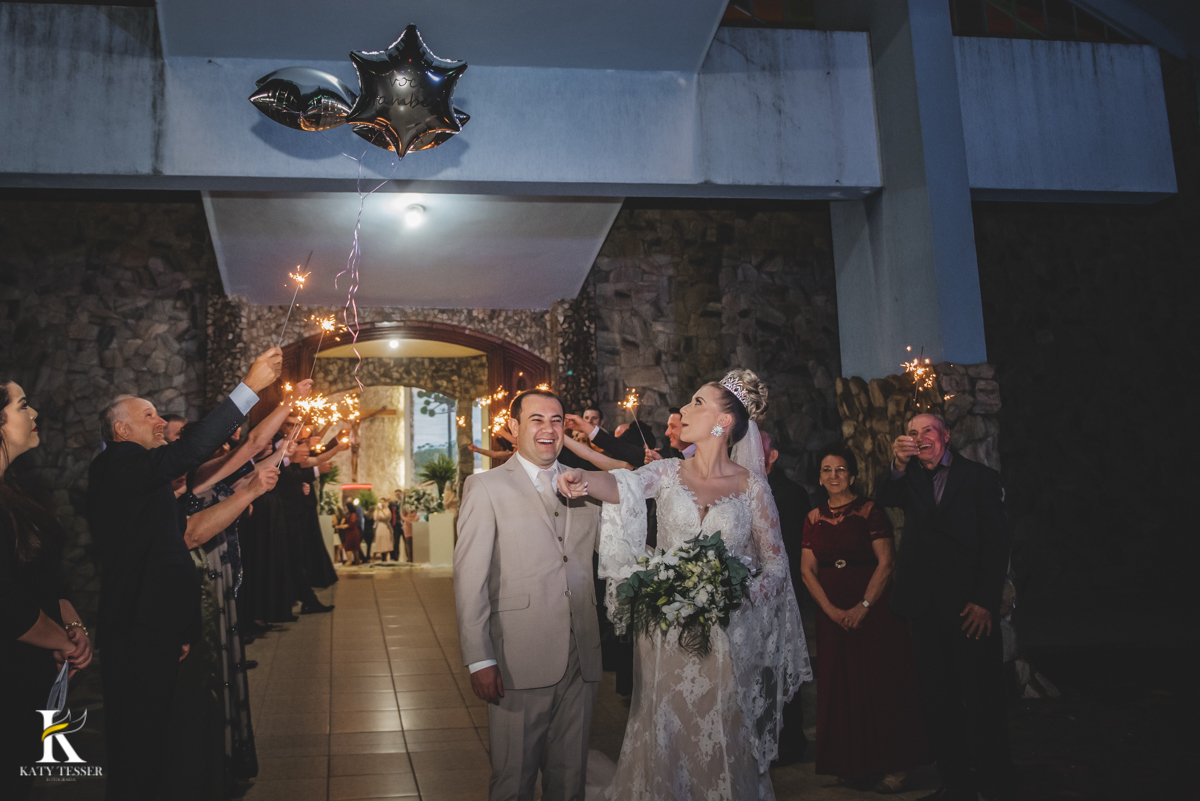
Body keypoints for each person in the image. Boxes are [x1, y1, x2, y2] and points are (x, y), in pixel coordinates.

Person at [557, 369, 811, 799]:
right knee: (667, 728)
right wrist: (583, 481)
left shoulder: (752, 488)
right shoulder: (670, 472)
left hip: (729, 639)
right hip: (668, 637)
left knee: (720, 734)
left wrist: (734, 596)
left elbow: (776, 567)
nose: (685, 409)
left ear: (723, 422)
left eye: (696, 402)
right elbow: (623, 485)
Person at [87, 346, 280, 801]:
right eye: (149, 415)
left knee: (165, 732)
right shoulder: (117, 465)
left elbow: (171, 548)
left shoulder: (144, 478)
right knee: (139, 739)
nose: (160, 422)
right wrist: (250, 387)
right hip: (137, 626)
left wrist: (183, 627)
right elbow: (194, 449)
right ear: (121, 429)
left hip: (159, 624)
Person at [453, 389, 603, 801]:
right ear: (514, 428)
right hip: (517, 659)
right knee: (513, 781)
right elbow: (470, 579)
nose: (548, 429)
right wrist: (479, 657)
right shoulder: (485, 487)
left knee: (570, 781)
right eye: (536, 419)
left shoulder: (587, 485)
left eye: (556, 420)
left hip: (582, 658)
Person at [878, 414, 1014, 801]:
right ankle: (956, 783)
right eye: (913, 432)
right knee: (938, 699)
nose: (921, 439)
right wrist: (898, 464)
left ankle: (996, 784)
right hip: (924, 609)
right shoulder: (909, 478)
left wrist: (986, 601)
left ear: (946, 437)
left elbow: (996, 543)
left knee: (982, 696)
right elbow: (885, 496)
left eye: (928, 431)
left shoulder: (978, 478)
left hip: (970, 608)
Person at [799, 445, 929, 792]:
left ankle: (895, 767)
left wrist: (863, 607)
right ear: (820, 477)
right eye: (827, 470)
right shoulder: (812, 518)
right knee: (841, 685)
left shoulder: (871, 511)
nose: (833, 476)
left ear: (853, 475)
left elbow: (886, 562)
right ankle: (854, 764)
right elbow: (807, 570)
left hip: (875, 608)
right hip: (832, 611)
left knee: (882, 682)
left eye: (840, 470)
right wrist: (832, 611)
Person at [1, 379, 93, 801]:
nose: (34, 414)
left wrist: (72, 624)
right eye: (23, 406)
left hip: (27, 673)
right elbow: (7, 603)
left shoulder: (13, 488)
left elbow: (42, 576)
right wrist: (63, 642)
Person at [761, 428, 812, 765]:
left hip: (781, 593)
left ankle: (790, 740)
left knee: (782, 666)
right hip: (752, 596)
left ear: (773, 455)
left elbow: (790, 548)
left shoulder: (790, 494)